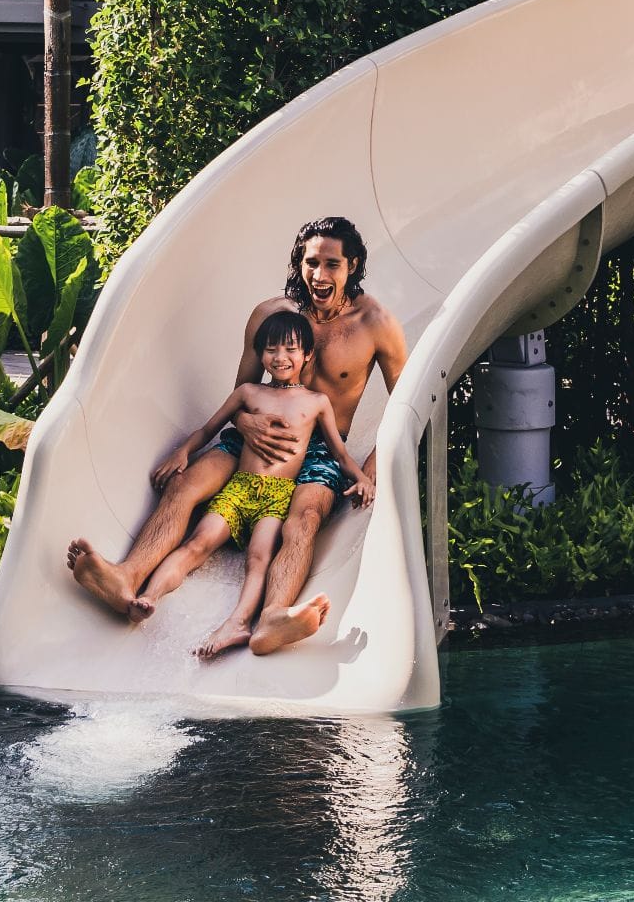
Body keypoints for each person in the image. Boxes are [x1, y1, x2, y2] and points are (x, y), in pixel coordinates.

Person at [67, 216, 409, 656]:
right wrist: (245, 423)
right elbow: (241, 392)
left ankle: (272, 617)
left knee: (303, 519)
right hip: (253, 437)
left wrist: (372, 466)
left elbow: (405, 404)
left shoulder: (376, 323)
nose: (319, 275)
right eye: (311, 263)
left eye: (331, 264)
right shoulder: (271, 316)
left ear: (353, 265)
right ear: (299, 263)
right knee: (184, 484)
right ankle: (126, 577)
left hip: (320, 450)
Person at [125, 310, 369, 659]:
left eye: (290, 349)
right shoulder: (248, 393)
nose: (280, 357)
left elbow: (339, 453)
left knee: (259, 558)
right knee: (198, 543)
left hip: (278, 496)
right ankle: (149, 597)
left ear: (307, 355)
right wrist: (183, 451)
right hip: (239, 488)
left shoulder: (316, 403)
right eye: (271, 349)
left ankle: (238, 623)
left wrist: (361, 478)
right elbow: (208, 430)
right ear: (261, 354)